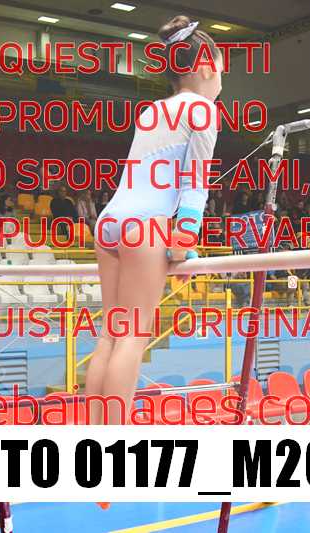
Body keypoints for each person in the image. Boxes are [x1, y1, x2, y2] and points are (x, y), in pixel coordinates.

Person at [87, 15, 222, 425]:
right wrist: (183, 241)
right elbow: (194, 185)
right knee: (133, 336)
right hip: (145, 225)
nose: (221, 81)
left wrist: (178, 243)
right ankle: (114, 441)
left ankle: (91, 438)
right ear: (205, 68)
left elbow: (146, 176)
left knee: (110, 334)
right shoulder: (203, 110)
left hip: (110, 221)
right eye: (221, 71)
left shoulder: (153, 110)